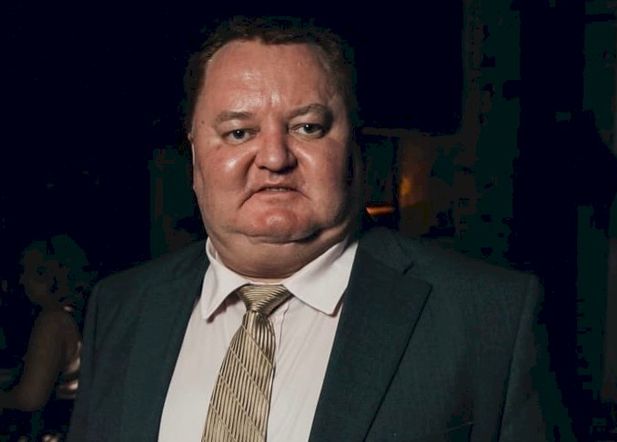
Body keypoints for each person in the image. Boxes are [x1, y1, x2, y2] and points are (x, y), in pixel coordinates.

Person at [68, 16, 572, 441]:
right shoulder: (121, 308)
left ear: (354, 145)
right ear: (195, 154)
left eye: (308, 127)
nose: (274, 157)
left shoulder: (489, 320)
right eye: (239, 132)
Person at [1, 235, 93, 440]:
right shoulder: (82, 314)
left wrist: (4, 398)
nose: (22, 281)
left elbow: (30, 398)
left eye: (32, 272)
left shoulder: (53, 321)